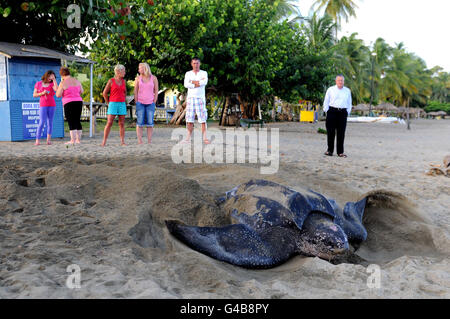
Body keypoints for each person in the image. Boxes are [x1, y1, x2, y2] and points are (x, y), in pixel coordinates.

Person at [323, 75, 352, 158]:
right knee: (330, 132)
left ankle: (340, 152)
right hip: (332, 112)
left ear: (344, 81)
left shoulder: (347, 91)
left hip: (342, 113)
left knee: (341, 133)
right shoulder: (330, 89)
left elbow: (349, 103)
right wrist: (327, 110)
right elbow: (326, 101)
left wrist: (347, 112)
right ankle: (330, 151)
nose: (340, 82)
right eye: (339, 80)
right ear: (336, 81)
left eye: (342, 80)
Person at [183, 57, 210, 144]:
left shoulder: (204, 73)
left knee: (202, 119)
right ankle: (187, 138)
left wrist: (192, 82)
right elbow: (186, 84)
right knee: (189, 119)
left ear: (200, 63)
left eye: (197, 63)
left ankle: (205, 138)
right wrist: (197, 83)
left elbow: (204, 82)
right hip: (191, 98)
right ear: (191, 64)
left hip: (200, 98)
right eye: (194, 63)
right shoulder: (188, 74)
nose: (196, 65)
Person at [56, 67, 84, 145]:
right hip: (78, 102)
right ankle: (78, 140)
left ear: (62, 75)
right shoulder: (76, 80)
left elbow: (58, 95)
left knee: (71, 120)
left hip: (69, 102)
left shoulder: (63, 82)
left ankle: (72, 140)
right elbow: (82, 91)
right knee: (77, 120)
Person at [101, 64, 128, 146]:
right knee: (109, 122)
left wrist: (124, 101)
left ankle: (122, 142)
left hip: (122, 104)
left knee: (122, 123)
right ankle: (104, 142)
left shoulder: (124, 82)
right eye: (123, 71)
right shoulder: (111, 81)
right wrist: (108, 103)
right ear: (118, 71)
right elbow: (104, 93)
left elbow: (125, 92)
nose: (124, 72)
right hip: (113, 103)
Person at [134, 63, 158, 144]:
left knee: (150, 123)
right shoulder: (137, 79)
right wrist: (137, 101)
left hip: (150, 103)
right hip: (140, 103)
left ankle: (149, 141)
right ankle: (140, 141)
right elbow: (135, 91)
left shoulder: (154, 78)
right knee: (139, 122)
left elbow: (156, 91)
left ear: (145, 68)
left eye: (140, 68)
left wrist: (154, 101)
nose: (138, 70)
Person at [33, 70, 58, 145]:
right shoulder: (38, 83)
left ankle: (48, 140)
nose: (51, 78)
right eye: (51, 77)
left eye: (53, 77)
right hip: (43, 105)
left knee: (50, 122)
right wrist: (42, 93)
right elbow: (34, 95)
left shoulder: (52, 84)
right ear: (47, 76)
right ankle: (37, 140)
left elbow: (57, 90)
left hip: (52, 105)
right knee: (42, 122)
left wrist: (54, 80)